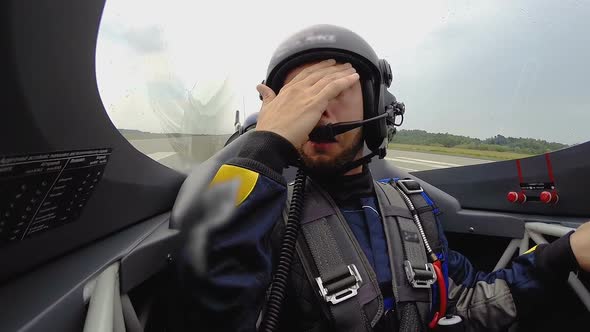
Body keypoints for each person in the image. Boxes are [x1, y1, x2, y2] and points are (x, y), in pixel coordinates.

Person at [176, 24, 590, 332]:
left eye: (334, 89)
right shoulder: (265, 220)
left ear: (376, 104)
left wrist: (567, 252)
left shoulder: (411, 206)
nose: (319, 109)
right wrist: (265, 143)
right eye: (300, 95)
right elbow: (213, 300)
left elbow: (470, 301)